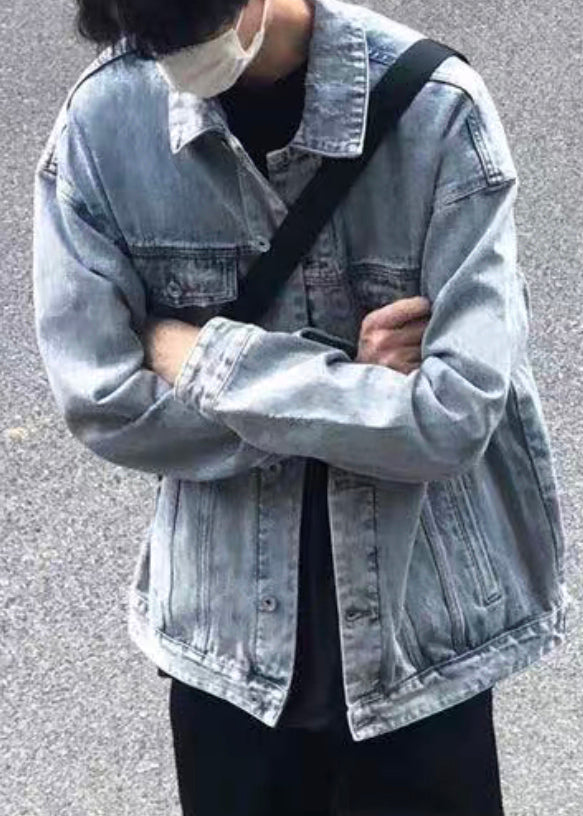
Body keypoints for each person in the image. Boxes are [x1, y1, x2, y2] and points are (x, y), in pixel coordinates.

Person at [32, 0, 570, 813]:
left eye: (185, 31)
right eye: (147, 40)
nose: (169, 62)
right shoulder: (104, 121)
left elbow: (453, 417)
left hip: (417, 642)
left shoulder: (435, 107)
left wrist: (203, 360)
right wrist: (350, 387)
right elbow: (102, 399)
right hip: (226, 651)